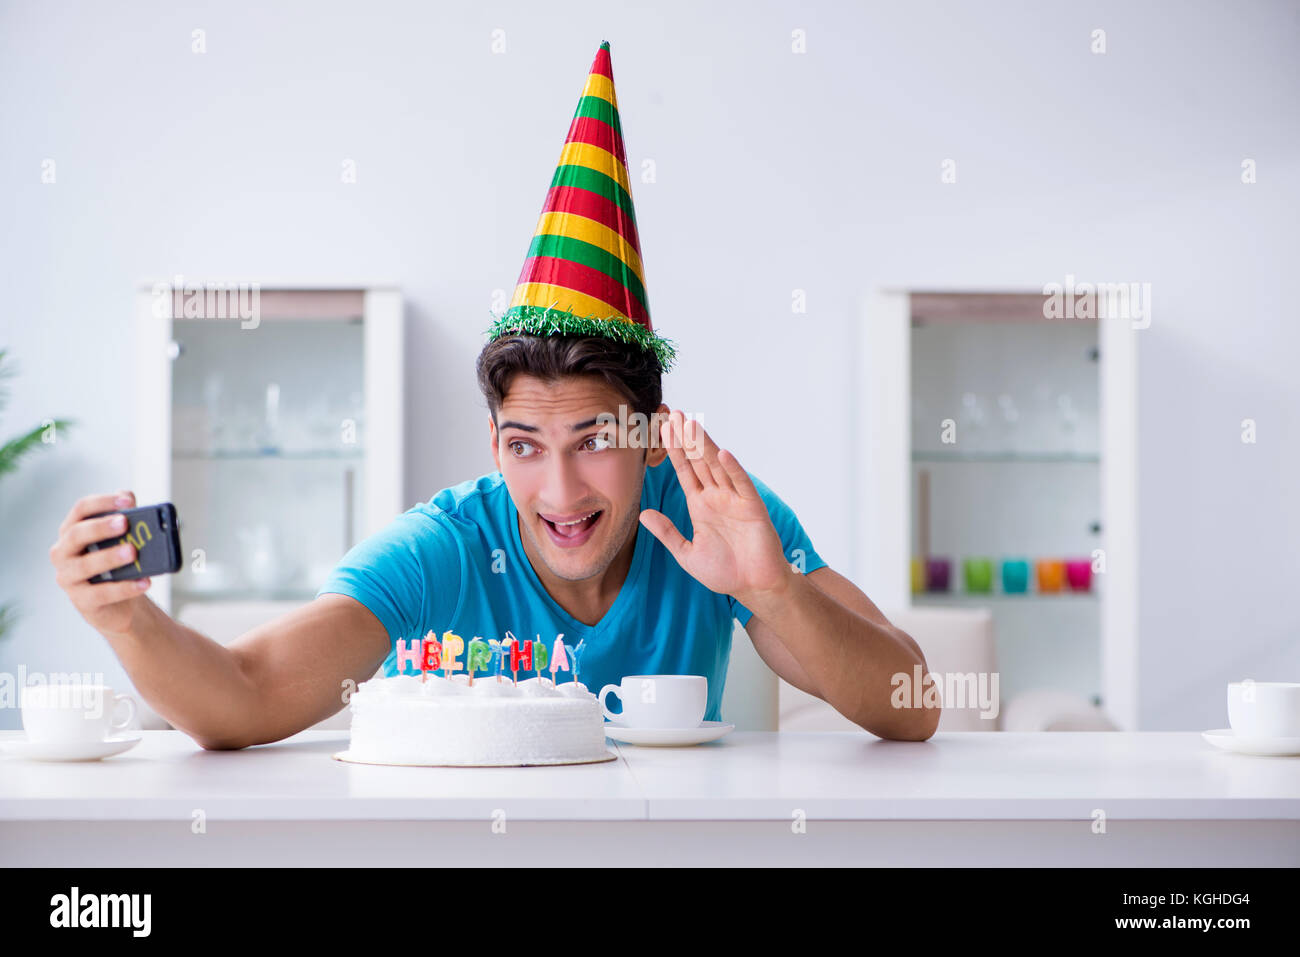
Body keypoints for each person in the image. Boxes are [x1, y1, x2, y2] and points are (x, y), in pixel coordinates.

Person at [48, 41, 940, 749]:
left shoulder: (715, 520)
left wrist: (775, 591)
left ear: (652, 437)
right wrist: (127, 621)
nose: (559, 493)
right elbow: (241, 700)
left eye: (593, 440)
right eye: (525, 445)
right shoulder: (445, 547)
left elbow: (915, 705)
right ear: (494, 444)